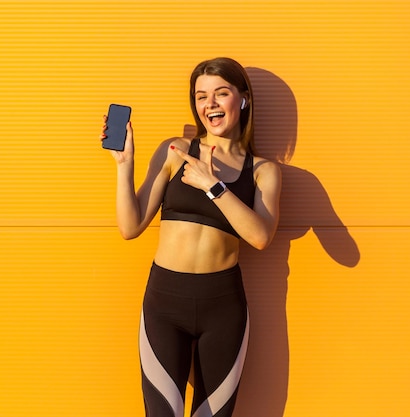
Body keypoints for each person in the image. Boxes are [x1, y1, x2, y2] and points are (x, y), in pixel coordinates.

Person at [100, 57, 281, 417]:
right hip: (165, 302)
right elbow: (130, 227)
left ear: (243, 99)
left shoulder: (263, 171)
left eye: (221, 93)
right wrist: (124, 166)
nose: (209, 104)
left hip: (223, 307)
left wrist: (214, 186)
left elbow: (261, 237)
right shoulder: (176, 151)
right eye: (201, 96)